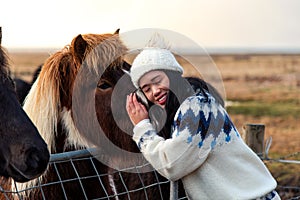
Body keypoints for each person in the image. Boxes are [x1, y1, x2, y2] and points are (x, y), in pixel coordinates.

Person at [126, 33, 280, 200]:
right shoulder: (184, 109)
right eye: (147, 89)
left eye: (157, 81)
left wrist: (142, 128)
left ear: (172, 74)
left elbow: (172, 165)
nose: (155, 91)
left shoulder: (198, 108)